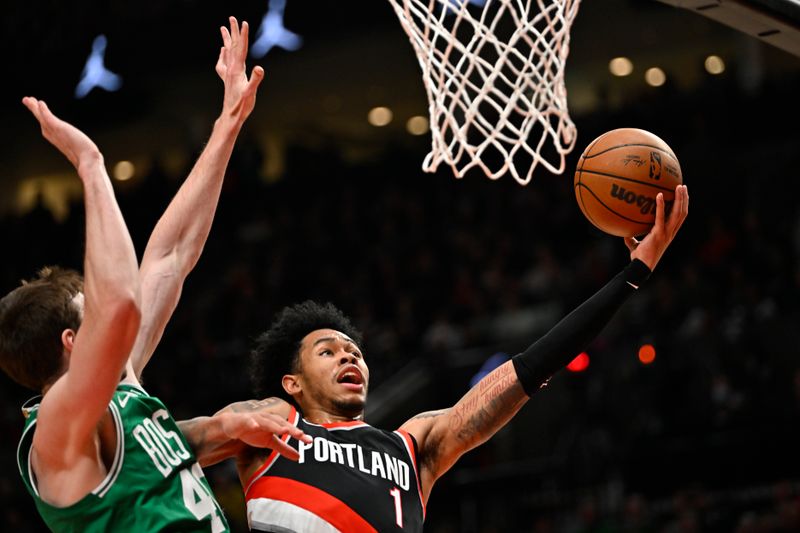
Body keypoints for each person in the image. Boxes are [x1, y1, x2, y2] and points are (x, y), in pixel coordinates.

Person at [180, 184, 689, 531]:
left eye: (353, 349)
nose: (347, 355)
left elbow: (530, 368)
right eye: (327, 350)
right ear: (291, 381)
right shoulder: (269, 422)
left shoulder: (413, 444)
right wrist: (228, 430)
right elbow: (152, 446)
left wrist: (634, 275)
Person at [1, 17, 309, 532]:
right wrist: (91, 164)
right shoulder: (58, 424)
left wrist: (228, 123)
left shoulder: (120, 387)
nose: (107, 312)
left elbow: (170, 256)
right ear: (73, 341)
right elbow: (121, 302)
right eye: (88, 308)